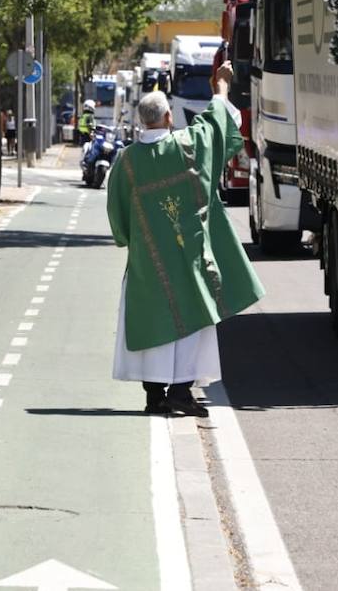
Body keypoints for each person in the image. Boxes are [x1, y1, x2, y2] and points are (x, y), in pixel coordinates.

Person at [105, 63, 264, 417]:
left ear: (145, 121)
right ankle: (180, 392)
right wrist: (221, 85)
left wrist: (133, 239)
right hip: (188, 257)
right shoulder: (187, 146)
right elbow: (215, 122)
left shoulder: (127, 161)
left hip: (148, 260)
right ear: (167, 119)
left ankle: (154, 396)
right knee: (193, 319)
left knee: (150, 319)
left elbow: (116, 212)